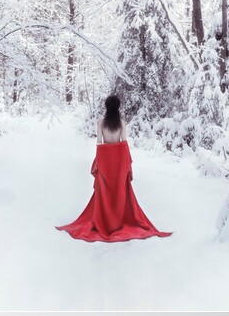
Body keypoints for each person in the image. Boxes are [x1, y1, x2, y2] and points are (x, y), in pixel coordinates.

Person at [56, 95, 171, 242]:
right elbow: (123, 144)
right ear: (118, 106)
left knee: (104, 192)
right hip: (119, 162)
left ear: (106, 106)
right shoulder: (122, 123)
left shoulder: (100, 123)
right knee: (120, 191)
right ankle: (118, 221)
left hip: (105, 163)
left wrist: (99, 163)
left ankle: (104, 222)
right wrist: (126, 164)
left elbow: (99, 143)